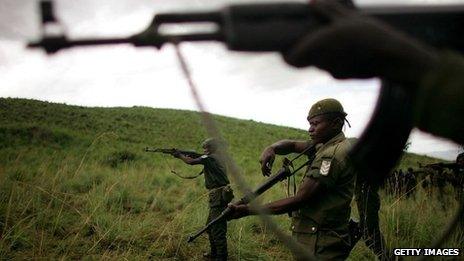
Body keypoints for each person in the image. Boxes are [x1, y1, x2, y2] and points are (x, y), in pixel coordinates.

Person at [229, 98, 356, 260]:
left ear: (336, 123)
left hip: (321, 243)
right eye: (310, 124)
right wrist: (272, 148)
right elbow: (293, 145)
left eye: (315, 124)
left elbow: (301, 199)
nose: (310, 129)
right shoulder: (325, 144)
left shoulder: (331, 156)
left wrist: (247, 210)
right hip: (316, 237)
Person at [173, 138, 233, 260]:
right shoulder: (217, 157)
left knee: (218, 229)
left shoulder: (210, 158)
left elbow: (190, 162)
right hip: (218, 195)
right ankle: (214, 254)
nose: (205, 150)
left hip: (218, 196)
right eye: (204, 148)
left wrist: (179, 155)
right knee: (211, 227)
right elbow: (200, 158)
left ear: (213, 148)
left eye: (207, 148)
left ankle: (221, 257)